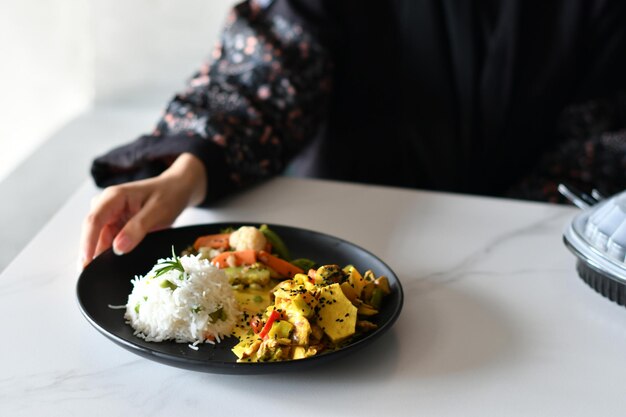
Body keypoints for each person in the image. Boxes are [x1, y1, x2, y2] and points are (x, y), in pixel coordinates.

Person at [80, 0, 626, 267]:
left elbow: (594, 144)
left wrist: (496, 253)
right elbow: (271, 66)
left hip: (522, 256)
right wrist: (186, 172)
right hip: (330, 244)